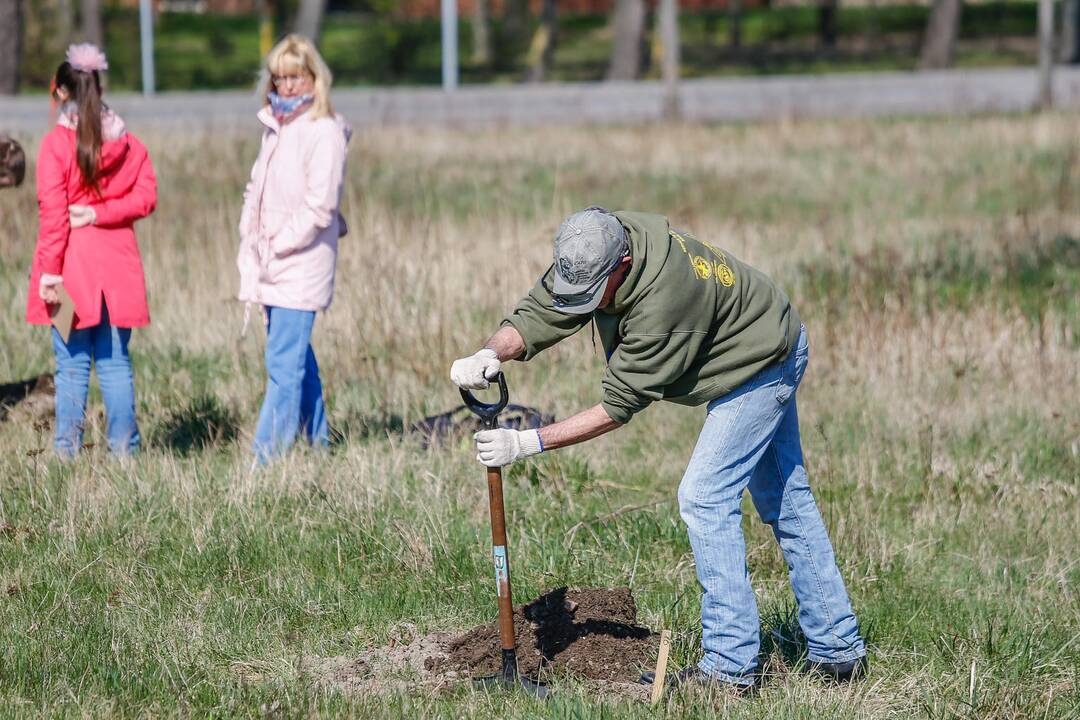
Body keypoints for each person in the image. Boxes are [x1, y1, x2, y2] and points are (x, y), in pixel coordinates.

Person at [450, 207, 867, 690]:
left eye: (593, 295)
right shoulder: (592, 242)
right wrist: (490, 352)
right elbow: (545, 308)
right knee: (787, 503)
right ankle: (839, 649)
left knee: (705, 497)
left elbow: (618, 406)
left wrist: (527, 442)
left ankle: (730, 669)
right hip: (761, 334)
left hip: (761, 362)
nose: (584, 303)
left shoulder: (663, 302)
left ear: (623, 265)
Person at [26, 44, 157, 458]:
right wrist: (102, 213)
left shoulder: (55, 147)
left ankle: (66, 452)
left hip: (68, 275)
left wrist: (48, 275)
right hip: (118, 271)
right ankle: (125, 452)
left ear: (62, 93)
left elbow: (53, 219)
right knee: (116, 365)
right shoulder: (127, 143)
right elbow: (146, 197)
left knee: (71, 366)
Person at [236, 34, 350, 464]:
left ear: (314, 78)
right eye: (279, 77)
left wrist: (277, 245)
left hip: (300, 264)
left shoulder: (324, 132)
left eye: (295, 77)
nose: (286, 86)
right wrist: (249, 231)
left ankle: (265, 460)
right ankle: (319, 446)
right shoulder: (276, 127)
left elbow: (320, 208)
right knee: (296, 357)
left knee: (283, 364)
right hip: (270, 262)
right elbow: (256, 188)